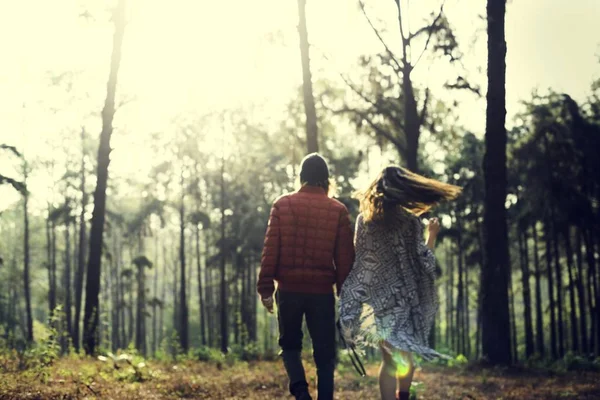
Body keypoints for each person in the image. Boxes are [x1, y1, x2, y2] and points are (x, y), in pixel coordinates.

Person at [339, 166, 460, 400]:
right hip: (404, 299)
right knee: (406, 361)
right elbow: (423, 262)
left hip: (379, 300)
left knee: (392, 360)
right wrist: (432, 234)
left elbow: (359, 259)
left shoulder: (365, 221)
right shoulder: (409, 222)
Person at [257, 153, 355, 400]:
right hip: (322, 295)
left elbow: (271, 249)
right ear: (326, 179)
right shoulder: (338, 210)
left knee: (289, 345)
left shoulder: (282, 204)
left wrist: (265, 289)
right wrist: (348, 296)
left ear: (301, 178)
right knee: (325, 355)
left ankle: (301, 392)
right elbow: (345, 259)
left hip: (288, 291)